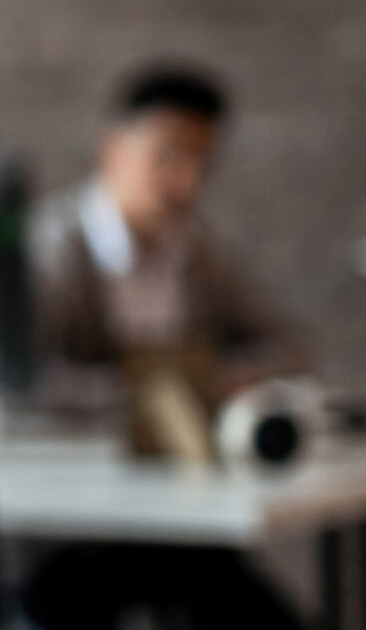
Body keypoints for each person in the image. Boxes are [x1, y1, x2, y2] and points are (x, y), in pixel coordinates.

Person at [28, 62, 305, 413]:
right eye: (168, 156)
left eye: (203, 163)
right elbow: (26, 380)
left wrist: (237, 378)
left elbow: (289, 351)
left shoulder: (199, 250)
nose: (188, 182)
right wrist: (163, 394)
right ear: (112, 151)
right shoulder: (51, 246)